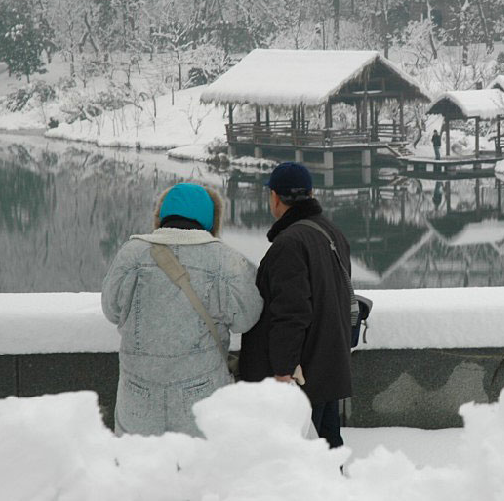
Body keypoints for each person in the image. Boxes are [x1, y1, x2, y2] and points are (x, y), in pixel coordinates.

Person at [102, 183, 263, 437]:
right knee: (197, 460)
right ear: (210, 220)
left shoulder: (131, 254)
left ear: (162, 216)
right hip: (202, 392)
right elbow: (247, 318)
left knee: (137, 459)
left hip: (138, 390)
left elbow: (111, 310)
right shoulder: (226, 260)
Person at [240, 162, 353, 448]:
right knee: (327, 447)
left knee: (298, 454)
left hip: (302, 375)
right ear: (311, 193)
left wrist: (282, 371)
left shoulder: (290, 243)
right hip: (328, 364)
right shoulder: (332, 232)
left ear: (274, 197)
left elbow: (291, 313)